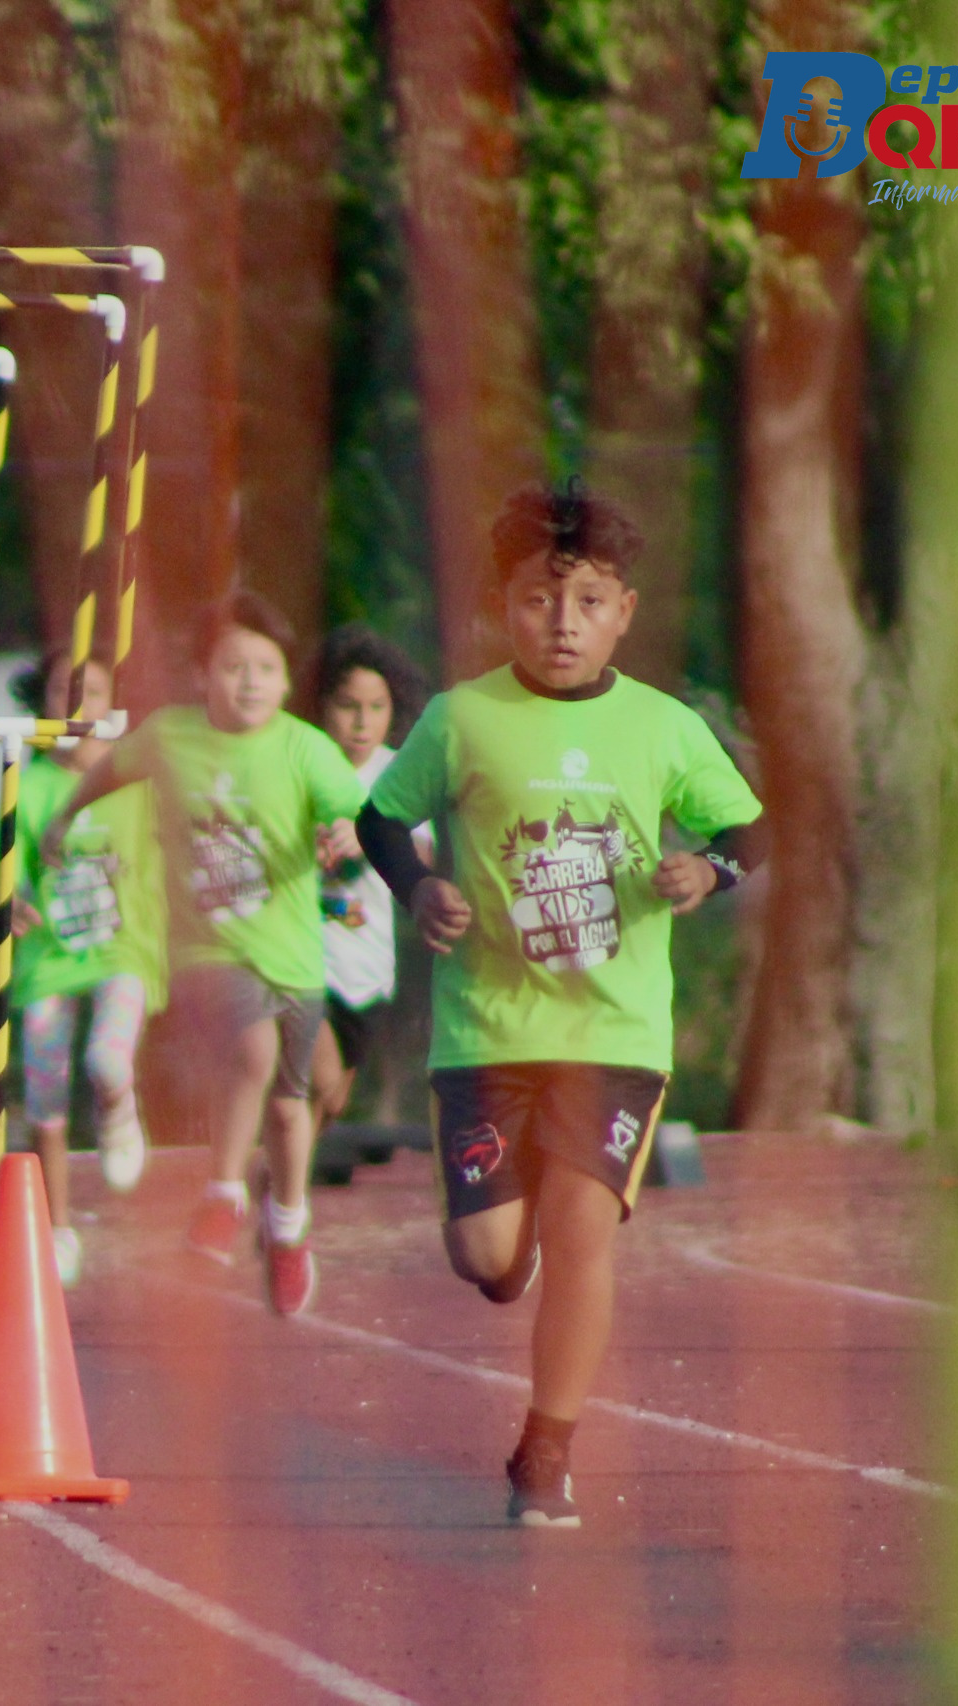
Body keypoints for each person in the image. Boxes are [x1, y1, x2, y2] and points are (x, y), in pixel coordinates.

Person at [356, 482, 764, 1528]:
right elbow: (380, 818)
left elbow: (746, 829)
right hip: (486, 1032)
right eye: (540, 600)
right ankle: (511, 1247)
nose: (563, 623)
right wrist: (419, 888)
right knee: (490, 1257)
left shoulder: (663, 726)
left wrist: (707, 870)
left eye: (588, 602)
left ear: (624, 611)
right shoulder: (461, 718)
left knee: (586, 1232)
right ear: (503, 607)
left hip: (614, 1034)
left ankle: (547, 1449)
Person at [44, 591, 368, 1314]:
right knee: (251, 1049)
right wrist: (66, 815)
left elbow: (354, 820)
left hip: (293, 958)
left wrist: (348, 840)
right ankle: (223, 1194)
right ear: (202, 675)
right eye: (233, 667)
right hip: (206, 954)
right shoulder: (170, 737)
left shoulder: (304, 749)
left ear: (286, 682)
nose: (249, 682)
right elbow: (110, 768)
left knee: (289, 1108)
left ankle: (288, 1226)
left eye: (265, 669)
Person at [0, 649, 165, 1286]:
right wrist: (8, 901)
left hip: (122, 951)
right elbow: (0, 870)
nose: (75, 708)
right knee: (44, 1093)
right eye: (60, 695)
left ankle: (119, 1111)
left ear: (113, 706)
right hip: (50, 957)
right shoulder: (28, 786)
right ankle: (59, 1228)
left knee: (105, 1059)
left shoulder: (136, 782)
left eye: (91, 693)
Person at [310, 627, 435, 1131]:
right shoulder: (302, 757)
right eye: (348, 706)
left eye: (376, 707)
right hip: (300, 953)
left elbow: (422, 854)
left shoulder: (397, 773)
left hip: (364, 963)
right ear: (321, 705)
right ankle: (269, 1170)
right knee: (313, 1077)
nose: (362, 723)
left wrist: (372, 840)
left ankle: (279, 1172)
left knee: (331, 1099)